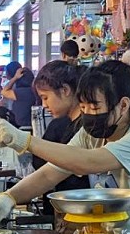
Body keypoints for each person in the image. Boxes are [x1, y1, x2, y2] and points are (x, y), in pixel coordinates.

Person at [0, 50, 130, 233]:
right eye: (83, 107)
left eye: (94, 108)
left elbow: (88, 162)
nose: (87, 115)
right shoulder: (92, 135)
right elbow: (51, 172)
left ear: (123, 105)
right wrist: (9, 197)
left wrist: (24, 140)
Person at [31, 60, 90, 192]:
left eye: (45, 97)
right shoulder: (67, 124)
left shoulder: (84, 128)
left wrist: (25, 141)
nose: (44, 105)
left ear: (65, 90)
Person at [0, 62, 38, 132]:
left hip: (20, 126)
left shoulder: (19, 92)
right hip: (33, 125)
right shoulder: (35, 90)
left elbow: (3, 91)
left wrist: (15, 77)